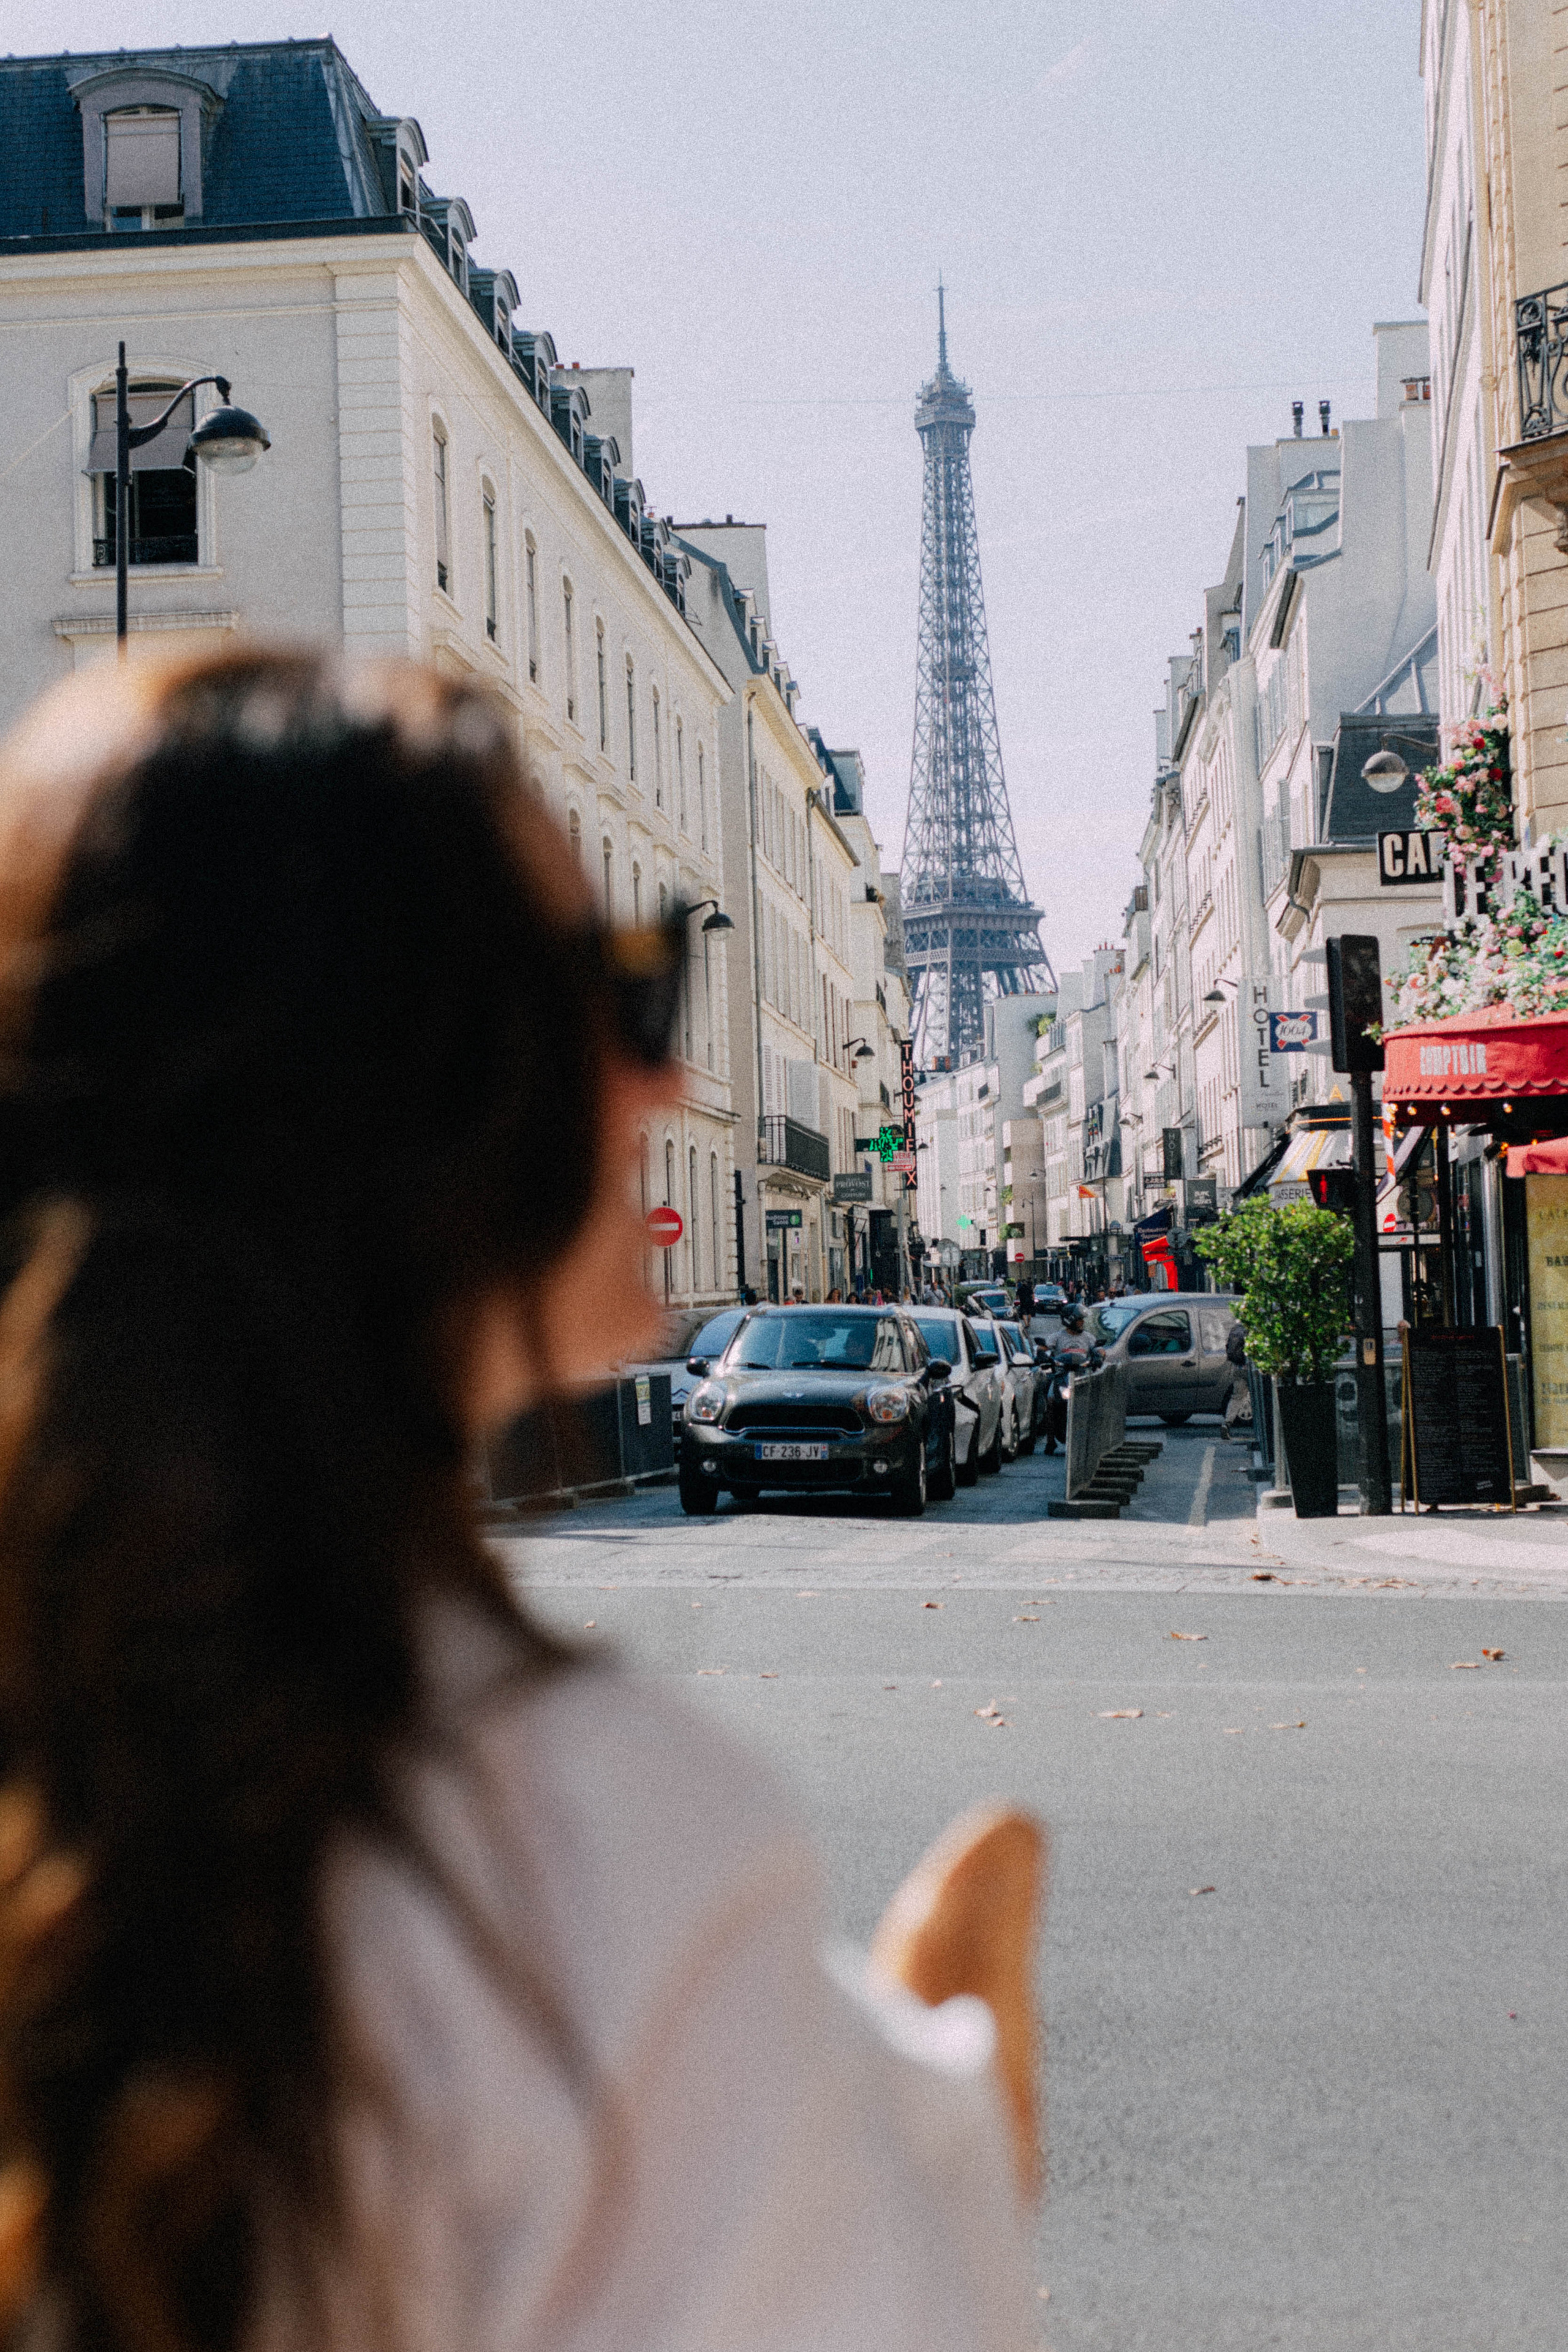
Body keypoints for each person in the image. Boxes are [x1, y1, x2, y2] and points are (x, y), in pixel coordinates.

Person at [0, 652, 1039, 2352]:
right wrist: (940, 2135)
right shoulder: (583, 1848)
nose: (666, 1082)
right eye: (623, 991)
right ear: (402, 1092)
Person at [1222, 1317, 1253, 1439]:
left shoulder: (1236, 1329)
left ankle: (1227, 1423)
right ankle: (1262, 1429)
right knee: (1257, 1398)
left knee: (1237, 1397)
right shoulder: (1252, 1330)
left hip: (1237, 1368)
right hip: (1250, 1368)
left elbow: (1228, 1347)